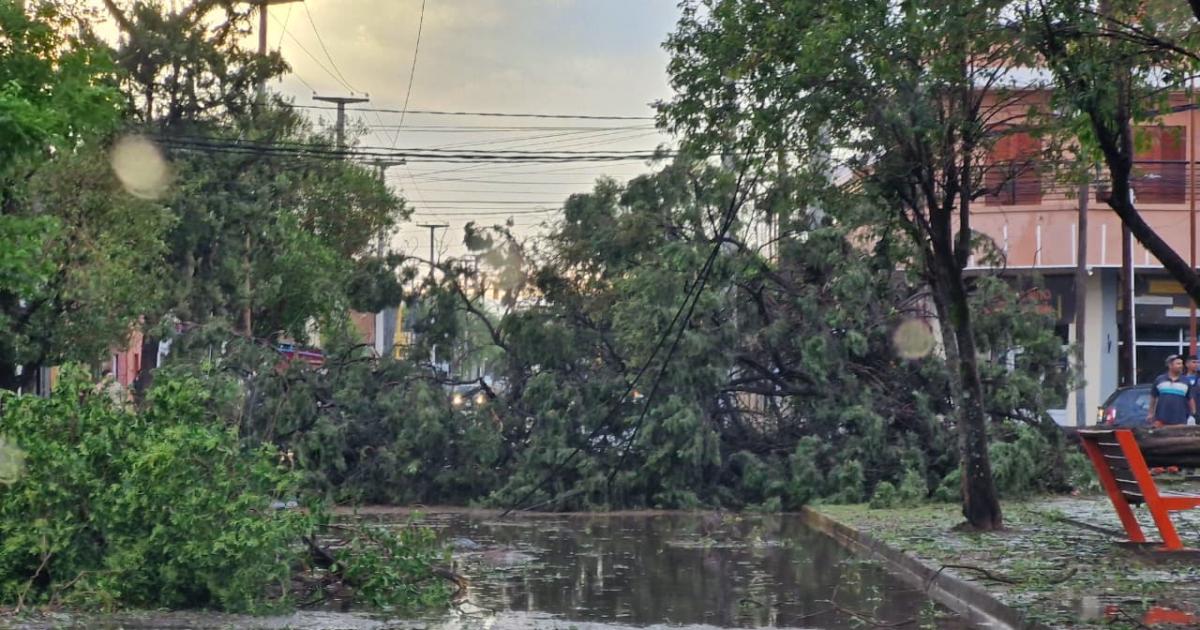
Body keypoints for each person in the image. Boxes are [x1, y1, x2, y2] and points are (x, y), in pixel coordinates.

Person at [1148, 354, 1195, 428]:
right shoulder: (1159, 380)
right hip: (1161, 420)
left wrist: (1192, 415)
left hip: (1180, 420)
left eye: (1182, 364)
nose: (1181, 366)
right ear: (1170, 365)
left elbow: (1190, 399)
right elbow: (1153, 397)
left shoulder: (1186, 381)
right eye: (1178, 364)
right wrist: (1150, 413)